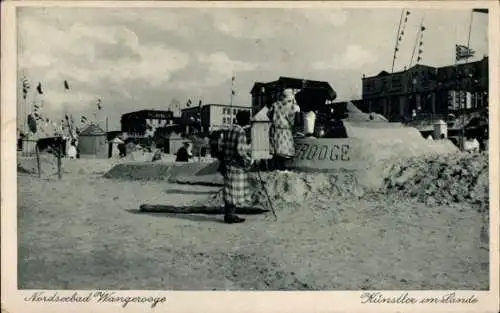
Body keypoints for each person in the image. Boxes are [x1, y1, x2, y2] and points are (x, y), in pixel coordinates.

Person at [218, 110, 254, 224]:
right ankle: (230, 215)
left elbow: (220, 146)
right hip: (236, 165)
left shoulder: (228, 129)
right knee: (235, 191)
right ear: (244, 120)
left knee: (229, 190)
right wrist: (249, 160)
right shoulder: (241, 132)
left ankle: (228, 214)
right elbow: (240, 150)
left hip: (227, 163)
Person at [267, 89, 300, 171]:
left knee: (275, 151)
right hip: (286, 131)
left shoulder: (275, 105)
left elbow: (268, 114)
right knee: (284, 151)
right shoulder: (293, 107)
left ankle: (274, 168)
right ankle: (282, 168)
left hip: (275, 130)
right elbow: (295, 121)